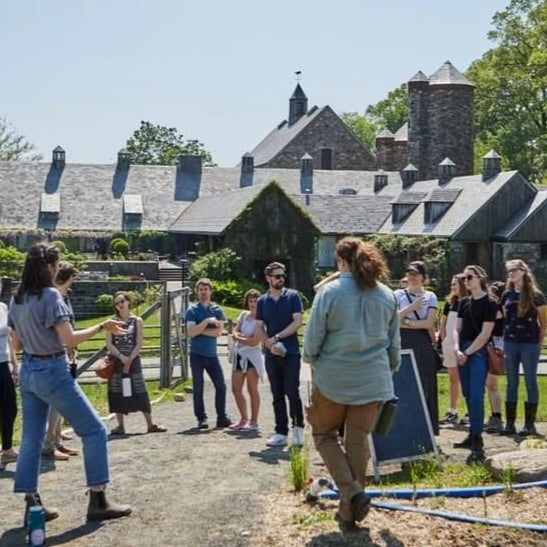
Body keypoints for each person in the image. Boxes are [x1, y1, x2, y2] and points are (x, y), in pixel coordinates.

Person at [8, 243, 131, 523]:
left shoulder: (18, 297)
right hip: (53, 370)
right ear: (50, 267)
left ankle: (33, 506)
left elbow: (16, 344)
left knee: (30, 439)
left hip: (29, 371)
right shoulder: (51, 295)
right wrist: (103, 327)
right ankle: (98, 499)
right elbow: (69, 339)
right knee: (95, 430)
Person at [304, 237, 400, 532]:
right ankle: (348, 516)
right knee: (358, 442)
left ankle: (353, 493)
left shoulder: (330, 292)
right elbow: (393, 344)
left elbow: (312, 339)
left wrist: (311, 359)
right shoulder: (386, 295)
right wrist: (389, 369)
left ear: (341, 261)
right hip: (372, 380)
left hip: (334, 378)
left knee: (323, 433)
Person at [256, 262, 305, 447]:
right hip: (271, 353)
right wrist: (268, 343)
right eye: (277, 276)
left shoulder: (292, 296)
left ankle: (298, 428)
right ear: (268, 278)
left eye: (283, 276)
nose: (281, 279)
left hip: (290, 351)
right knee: (276, 393)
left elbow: (297, 321)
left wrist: (276, 337)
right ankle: (280, 431)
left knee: (292, 391)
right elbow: (259, 326)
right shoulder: (262, 301)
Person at [453, 265, 497, 464]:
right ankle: (472, 433)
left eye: (469, 277)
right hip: (462, 348)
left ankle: (478, 439)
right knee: (468, 394)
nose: (466, 281)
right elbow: (456, 328)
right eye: (464, 278)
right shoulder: (463, 302)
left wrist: (468, 353)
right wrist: (457, 349)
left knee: (477, 395)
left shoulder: (490, 302)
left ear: (480, 278)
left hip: (477, 352)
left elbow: (486, 333)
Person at [106, 291, 166, 435]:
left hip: (133, 360)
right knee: (116, 390)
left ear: (128, 302)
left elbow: (139, 343)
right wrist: (121, 357)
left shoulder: (137, 320)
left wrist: (129, 359)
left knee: (140, 389)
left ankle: (150, 424)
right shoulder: (111, 321)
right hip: (116, 360)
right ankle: (120, 425)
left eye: (122, 301)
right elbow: (109, 343)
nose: (120, 305)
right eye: (117, 303)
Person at [499, 259, 546, 436]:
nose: (511, 273)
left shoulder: (535, 295)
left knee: (530, 381)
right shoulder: (507, 295)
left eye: (514, 270)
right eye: (509, 271)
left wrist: (539, 342)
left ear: (524, 272)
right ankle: (510, 423)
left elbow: (543, 322)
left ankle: (529, 423)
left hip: (529, 342)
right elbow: (504, 319)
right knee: (512, 382)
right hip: (511, 342)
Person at [394, 261, 439, 435]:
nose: (412, 277)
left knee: (425, 384)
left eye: (416, 274)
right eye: (409, 273)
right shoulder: (397, 294)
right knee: (403, 383)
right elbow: (392, 319)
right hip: (401, 341)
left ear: (423, 277)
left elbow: (428, 322)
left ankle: (427, 428)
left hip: (421, 344)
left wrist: (406, 323)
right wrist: (411, 308)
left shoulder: (430, 296)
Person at [41, 262, 80, 460]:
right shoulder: (54, 298)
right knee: (56, 402)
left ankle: (56, 440)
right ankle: (50, 444)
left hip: (65, 353)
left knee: (60, 402)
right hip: (57, 355)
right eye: (72, 276)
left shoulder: (64, 297)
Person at [185, 278, 232, 430]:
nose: (203, 292)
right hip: (196, 354)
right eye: (200, 289)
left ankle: (221, 417)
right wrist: (206, 323)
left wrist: (200, 330)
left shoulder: (217, 310)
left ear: (210, 291)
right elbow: (190, 333)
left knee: (221, 385)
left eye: (206, 289)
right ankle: (201, 418)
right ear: (197, 292)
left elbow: (219, 332)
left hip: (211, 355)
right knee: (198, 386)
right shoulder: (192, 310)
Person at [229, 289, 265, 431]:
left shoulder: (261, 320)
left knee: (252, 389)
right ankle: (243, 418)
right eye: (250, 301)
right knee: (236, 388)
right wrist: (242, 337)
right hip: (239, 354)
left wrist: (240, 338)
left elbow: (254, 341)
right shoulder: (244, 315)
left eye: (255, 301)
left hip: (252, 356)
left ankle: (254, 420)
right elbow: (235, 331)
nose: (253, 303)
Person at [439, 274, 466, 425]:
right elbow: (443, 324)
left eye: (455, 284)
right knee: (453, 379)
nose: (452, 287)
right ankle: (453, 411)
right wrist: (444, 340)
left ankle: (469, 412)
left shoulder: (468, 303)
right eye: (451, 285)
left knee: (467, 379)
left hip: (464, 345)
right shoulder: (450, 303)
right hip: (449, 344)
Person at [0, 277, 19, 467]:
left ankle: (7, 449)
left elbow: (9, 339)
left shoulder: (3, 308)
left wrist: (15, 363)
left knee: (10, 407)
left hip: (3, 363)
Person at [483, 281, 505, 433]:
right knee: (487, 384)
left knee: (492, 383)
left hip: (496, 346)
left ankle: (497, 416)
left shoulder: (499, 309)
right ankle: (493, 414)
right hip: (486, 344)